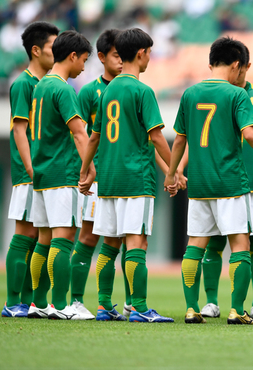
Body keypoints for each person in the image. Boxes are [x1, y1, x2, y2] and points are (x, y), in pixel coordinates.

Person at [164, 37, 253, 325]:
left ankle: (191, 308)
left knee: (195, 245)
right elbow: (251, 135)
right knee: (241, 245)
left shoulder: (190, 93)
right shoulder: (237, 95)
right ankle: (237, 310)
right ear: (237, 65)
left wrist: (172, 172)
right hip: (229, 182)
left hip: (200, 184)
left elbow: (179, 140)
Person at [79, 28, 175, 323]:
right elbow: (157, 137)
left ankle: (105, 305)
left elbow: (93, 137)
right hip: (136, 178)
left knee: (109, 243)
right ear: (142, 53)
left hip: (108, 178)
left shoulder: (107, 91)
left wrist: (85, 170)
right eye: (150, 52)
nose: (150, 58)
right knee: (137, 243)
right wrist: (174, 171)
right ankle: (139, 308)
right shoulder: (141, 90)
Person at [198, 44, 253, 321]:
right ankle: (211, 302)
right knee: (214, 244)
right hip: (222, 182)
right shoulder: (218, 94)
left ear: (245, 66)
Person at [29, 30, 95, 320]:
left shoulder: (41, 86)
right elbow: (80, 133)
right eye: (83, 60)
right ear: (72, 56)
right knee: (64, 238)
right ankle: (59, 305)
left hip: (43, 172)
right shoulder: (65, 89)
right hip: (63, 173)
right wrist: (88, 167)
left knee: (44, 239)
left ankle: (38, 303)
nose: (83, 66)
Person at [2, 21, 58, 318]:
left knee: (42, 237)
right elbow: (19, 130)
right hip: (31, 173)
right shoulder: (24, 84)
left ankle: (31, 300)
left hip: (47, 172)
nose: (58, 51)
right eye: (53, 47)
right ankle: (13, 302)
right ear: (36, 51)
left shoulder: (49, 84)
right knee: (25, 234)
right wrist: (29, 168)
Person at [70, 29, 122, 320]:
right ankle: (76, 300)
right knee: (89, 237)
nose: (122, 61)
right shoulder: (89, 92)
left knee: (125, 240)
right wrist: (86, 170)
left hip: (123, 177)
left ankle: (111, 304)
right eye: (117, 56)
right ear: (101, 58)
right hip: (98, 177)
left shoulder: (132, 88)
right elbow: (79, 134)